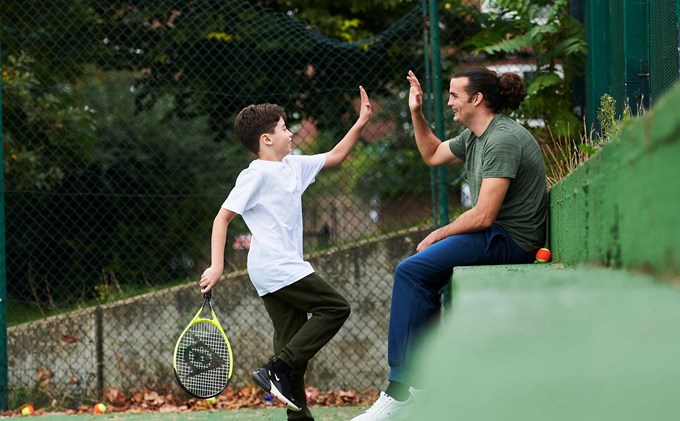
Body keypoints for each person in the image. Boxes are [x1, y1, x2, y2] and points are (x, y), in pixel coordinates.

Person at [352, 67, 548, 420]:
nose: (449, 103)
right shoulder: (475, 136)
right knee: (420, 276)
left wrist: (437, 233)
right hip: (494, 233)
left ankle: (401, 392)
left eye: (455, 96)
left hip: (510, 238)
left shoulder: (502, 139)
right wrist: (416, 111)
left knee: (411, 272)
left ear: (477, 99)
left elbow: (484, 215)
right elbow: (432, 154)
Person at [199, 86, 372, 421]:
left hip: (281, 269)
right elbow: (222, 218)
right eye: (283, 128)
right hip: (275, 267)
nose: (290, 133)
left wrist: (362, 121)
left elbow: (335, 156)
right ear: (266, 139)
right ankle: (275, 368)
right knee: (335, 308)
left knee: (293, 348)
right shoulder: (255, 175)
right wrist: (217, 265)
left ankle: (295, 408)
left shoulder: (293, 166)